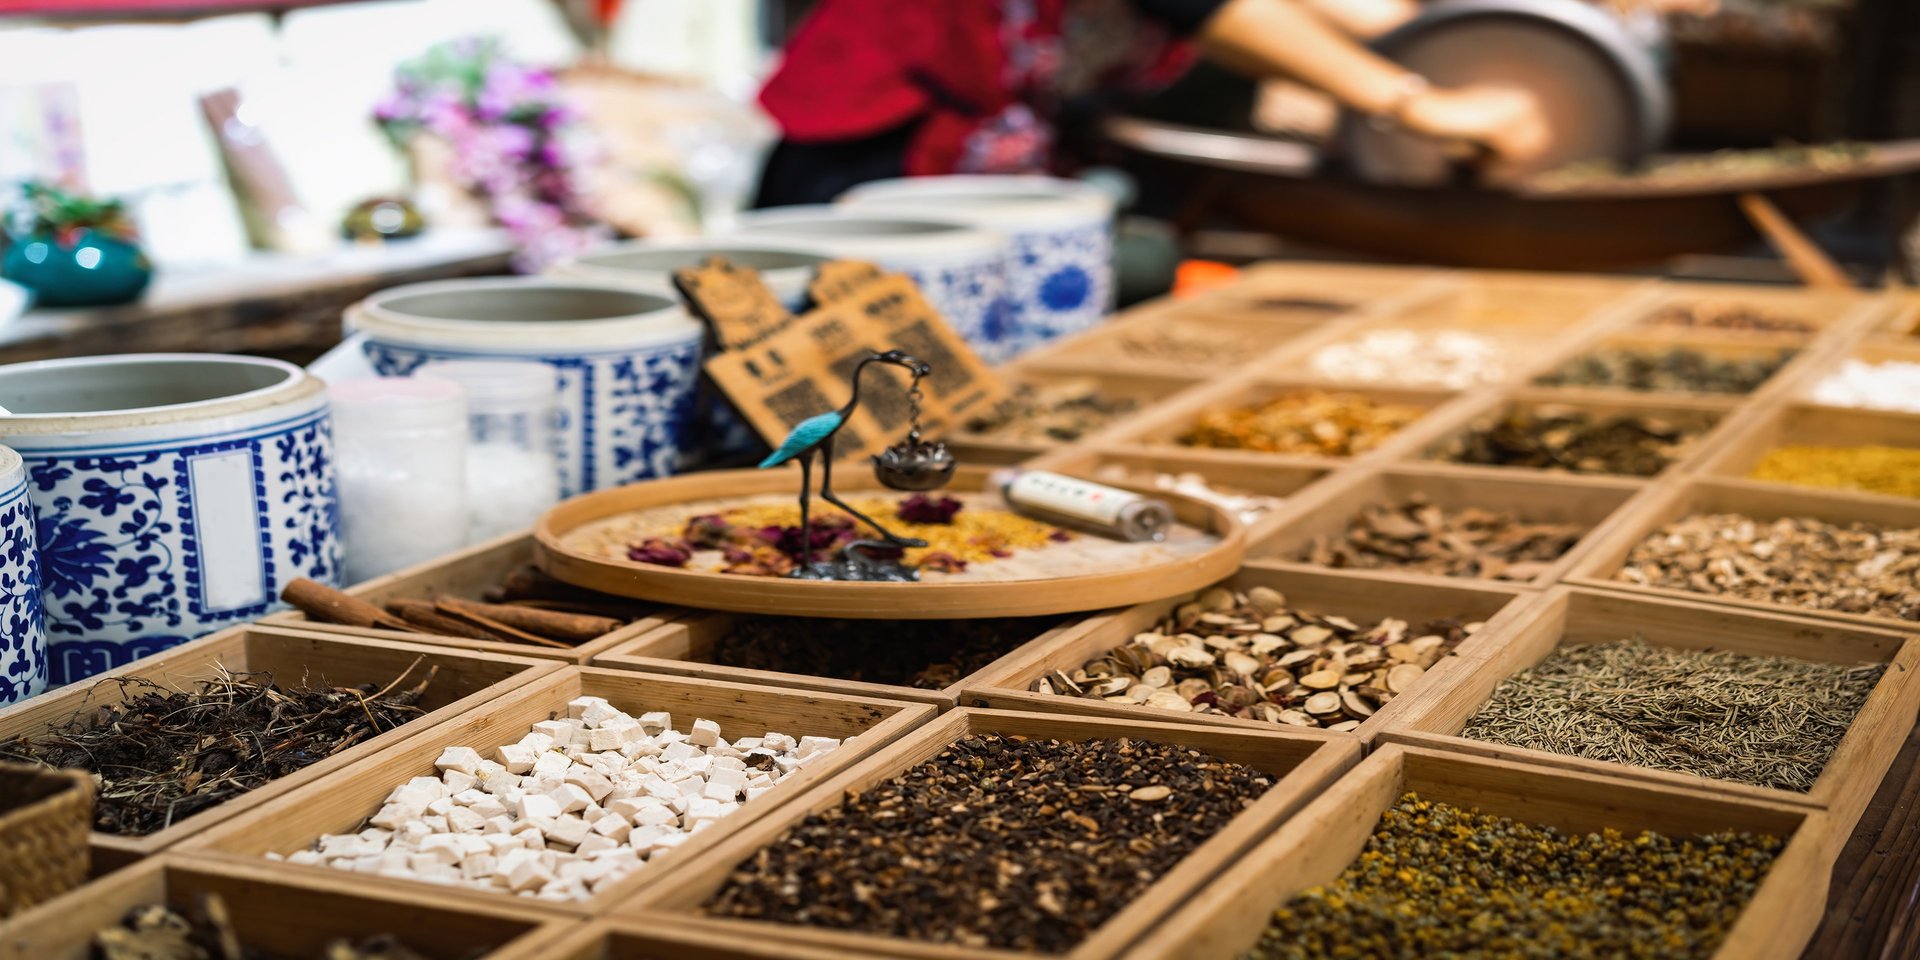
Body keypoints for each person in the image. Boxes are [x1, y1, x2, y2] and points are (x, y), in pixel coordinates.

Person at [754, 0, 1557, 207]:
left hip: (987, 147)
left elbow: (1362, 13)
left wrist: (1441, 42)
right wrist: (1415, 103)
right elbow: (1203, 5)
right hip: (884, 149)